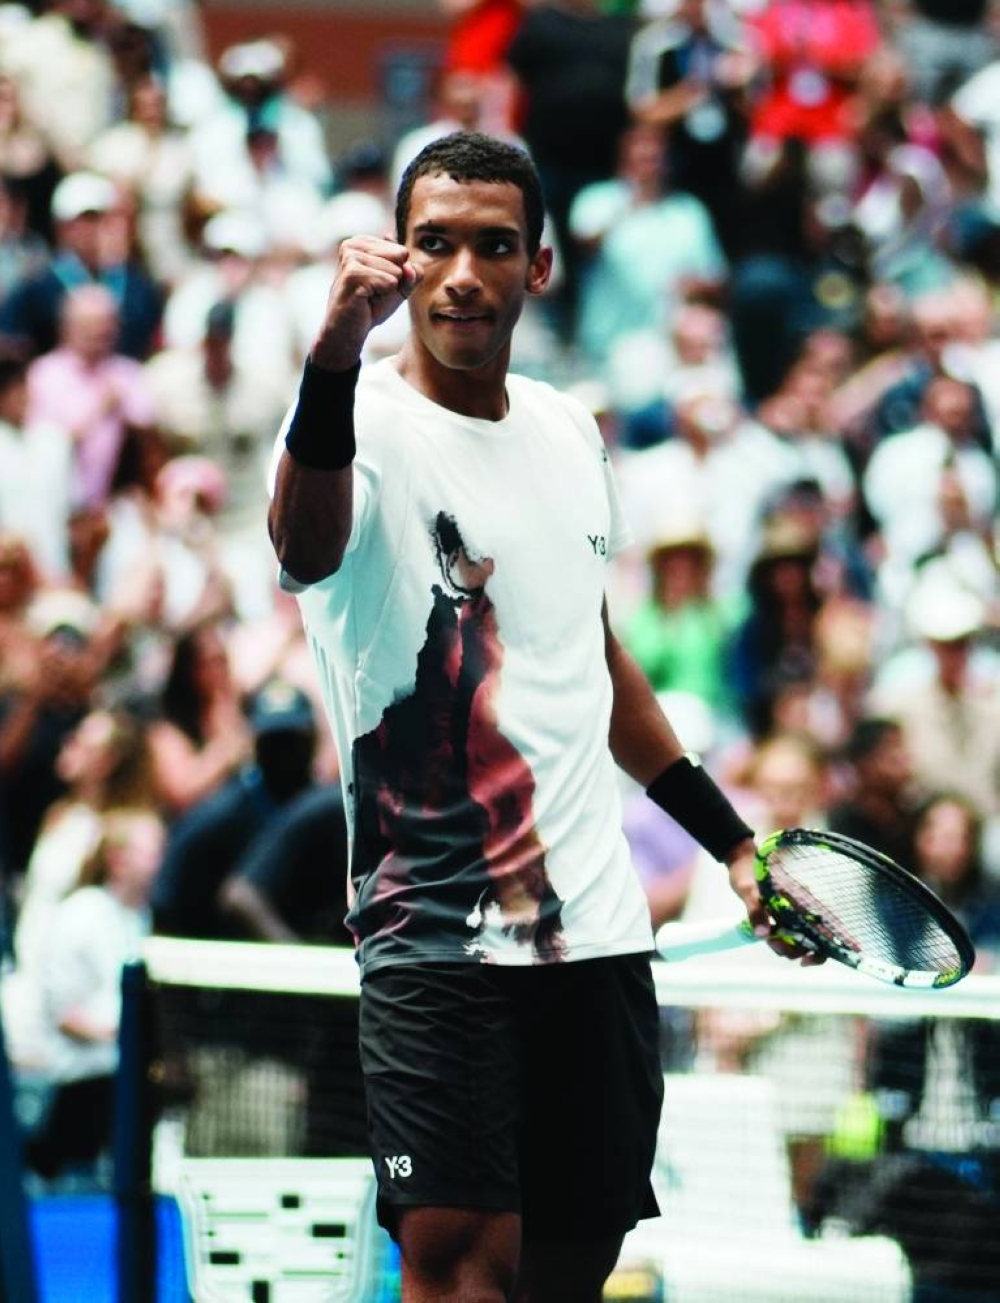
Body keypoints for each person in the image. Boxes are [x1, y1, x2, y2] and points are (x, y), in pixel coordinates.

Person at [268, 131, 809, 1303]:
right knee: (462, 1267)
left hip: (597, 940)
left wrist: (732, 843)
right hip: (433, 938)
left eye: (495, 246)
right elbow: (301, 548)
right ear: (400, 260)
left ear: (541, 269)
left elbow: (593, 655)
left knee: (574, 1267)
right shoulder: (348, 420)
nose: (463, 272)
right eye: (436, 243)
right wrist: (327, 355)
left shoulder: (569, 429)